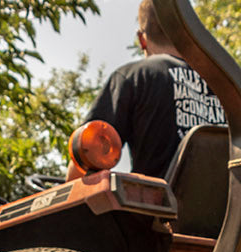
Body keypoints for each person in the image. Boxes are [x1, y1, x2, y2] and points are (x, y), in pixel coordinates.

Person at [80, 0, 227, 179]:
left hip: (155, 206)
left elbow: (84, 161)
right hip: (226, 207)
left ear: (142, 39)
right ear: (190, 35)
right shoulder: (227, 90)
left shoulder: (135, 77)